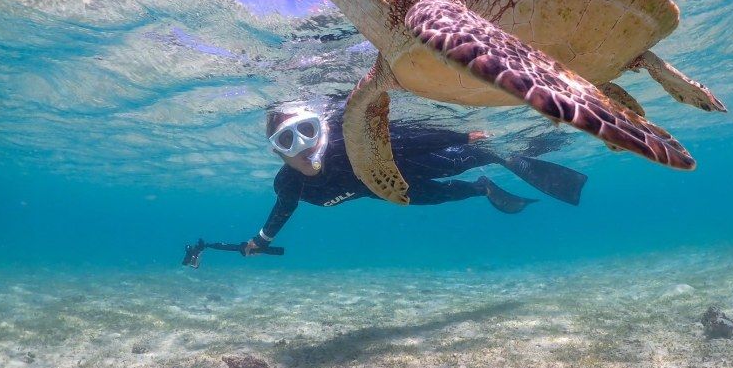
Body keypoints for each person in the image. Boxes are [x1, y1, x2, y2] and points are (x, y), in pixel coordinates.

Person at [240, 100, 587, 256]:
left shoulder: (348, 142)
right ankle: (483, 187)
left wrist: (461, 137)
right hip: (393, 192)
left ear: (321, 128)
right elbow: (282, 210)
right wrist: (262, 240)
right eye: (287, 140)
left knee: (469, 158)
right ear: (278, 153)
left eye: (307, 130)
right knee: (446, 196)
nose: (303, 144)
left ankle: (502, 155)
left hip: (409, 162)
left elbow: (406, 140)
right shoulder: (288, 185)